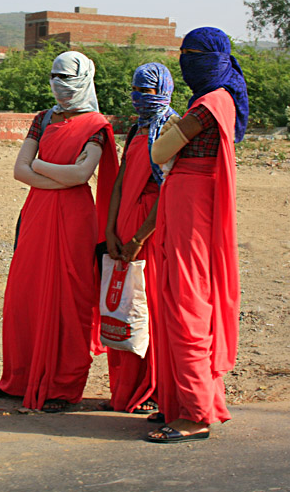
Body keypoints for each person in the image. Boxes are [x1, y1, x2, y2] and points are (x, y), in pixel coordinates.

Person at [0, 51, 118, 412]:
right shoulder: (43, 119)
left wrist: (40, 166)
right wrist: (59, 174)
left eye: (67, 78)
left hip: (75, 220)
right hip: (37, 214)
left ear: (84, 79)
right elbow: (20, 171)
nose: (59, 84)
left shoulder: (96, 125)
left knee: (69, 300)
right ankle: (17, 380)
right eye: (54, 76)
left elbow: (81, 175)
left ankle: (62, 387)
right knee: (24, 295)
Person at [147, 27, 248, 443]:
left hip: (193, 205)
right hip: (186, 202)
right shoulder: (213, 101)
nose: (186, 62)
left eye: (193, 55)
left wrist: (170, 127)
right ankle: (185, 400)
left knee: (188, 300)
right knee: (176, 296)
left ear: (216, 60)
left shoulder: (210, 103)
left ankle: (196, 412)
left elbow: (159, 151)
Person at [103, 62, 178, 414]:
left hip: (151, 228)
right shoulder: (137, 127)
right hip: (124, 223)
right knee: (121, 305)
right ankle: (125, 388)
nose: (139, 97)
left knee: (147, 307)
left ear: (163, 90)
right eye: (135, 90)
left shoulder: (173, 128)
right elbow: (120, 180)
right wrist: (110, 229)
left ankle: (152, 388)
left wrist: (139, 238)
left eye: (146, 91)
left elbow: (167, 189)